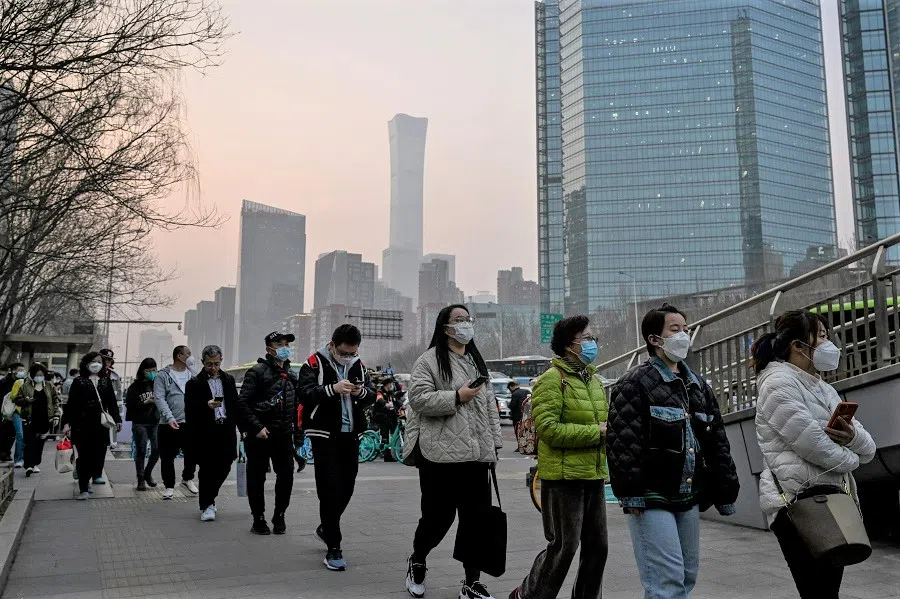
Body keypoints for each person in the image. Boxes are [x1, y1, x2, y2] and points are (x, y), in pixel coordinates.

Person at [607, 304, 740, 599]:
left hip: (687, 495)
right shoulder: (634, 383)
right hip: (651, 496)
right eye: (675, 330)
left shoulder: (698, 386)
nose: (684, 335)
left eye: (686, 329)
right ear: (655, 339)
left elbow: (717, 441)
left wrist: (725, 490)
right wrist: (631, 494)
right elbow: (622, 444)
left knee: (686, 576)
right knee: (665, 582)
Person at [752, 310, 876, 599]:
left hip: (831, 499)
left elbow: (869, 447)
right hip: (797, 502)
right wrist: (852, 457)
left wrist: (852, 437)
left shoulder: (825, 389)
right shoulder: (777, 383)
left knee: (826, 592)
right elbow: (813, 445)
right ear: (798, 345)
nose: (828, 344)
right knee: (816, 592)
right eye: (821, 336)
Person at [403, 304, 503, 599]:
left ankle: (471, 582)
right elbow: (418, 399)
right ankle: (418, 559)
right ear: (445, 327)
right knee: (437, 519)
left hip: (476, 456)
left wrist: (494, 445)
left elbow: (489, 408)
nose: (465, 325)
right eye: (458, 320)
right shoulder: (429, 361)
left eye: (467, 319)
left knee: (476, 521)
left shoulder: (475, 362)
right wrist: (456, 396)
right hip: (440, 456)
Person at [510, 315, 609, 599]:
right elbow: (549, 430)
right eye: (587, 339)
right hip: (563, 478)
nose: (593, 344)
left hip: (592, 474)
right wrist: (597, 432)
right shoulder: (552, 380)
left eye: (593, 338)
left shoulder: (593, 380)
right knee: (564, 547)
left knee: (598, 547)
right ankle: (529, 595)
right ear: (569, 345)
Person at [298, 324, 376, 571]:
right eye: (344, 353)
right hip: (323, 435)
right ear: (332, 345)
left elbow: (372, 394)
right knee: (330, 489)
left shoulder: (359, 365)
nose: (348, 357)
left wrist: (361, 391)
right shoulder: (313, 363)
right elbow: (305, 394)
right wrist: (332, 389)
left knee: (347, 486)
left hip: (350, 436)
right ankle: (334, 547)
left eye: (352, 353)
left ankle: (326, 527)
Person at [235, 331, 300, 536]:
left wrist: (298, 435)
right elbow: (242, 404)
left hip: (284, 435)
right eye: (279, 343)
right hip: (260, 435)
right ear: (269, 349)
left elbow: (298, 408)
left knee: (286, 477)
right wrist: (256, 428)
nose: (284, 347)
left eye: (287, 343)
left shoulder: (292, 375)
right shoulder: (257, 372)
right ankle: (258, 518)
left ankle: (279, 515)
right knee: (256, 478)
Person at [185, 345, 239, 522]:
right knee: (207, 469)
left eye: (216, 364)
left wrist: (244, 429)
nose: (213, 368)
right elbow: (189, 409)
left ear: (221, 361)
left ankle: (210, 498)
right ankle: (207, 505)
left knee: (225, 465)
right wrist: (205, 405)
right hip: (205, 432)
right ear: (203, 362)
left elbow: (235, 405)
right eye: (209, 364)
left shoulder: (228, 380)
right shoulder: (194, 383)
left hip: (226, 429)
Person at [62, 352, 122, 499]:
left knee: (97, 454)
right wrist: (66, 423)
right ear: (87, 363)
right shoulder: (79, 381)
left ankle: (91, 476)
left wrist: (117, 420)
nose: (96, 364)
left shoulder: (106, 381)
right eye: (93, 361)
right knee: (84, 456)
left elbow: (112, 403)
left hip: (100, 424)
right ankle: (83, 488)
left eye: (99, 361)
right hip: (81, 424)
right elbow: (71, 405)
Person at [154, 345, 198, 499]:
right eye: (189, 354)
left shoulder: (193, 374)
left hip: (190, 422)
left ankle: (188, 478)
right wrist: (170, 417)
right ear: (180, 356)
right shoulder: (163, 375)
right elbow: (159, 398)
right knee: (167, 456)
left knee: (192, 454)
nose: (191, 357)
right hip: (168, 424)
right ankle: (169, 486)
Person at [13, 363, 61, 477]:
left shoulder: (49, 386)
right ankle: (28, 465)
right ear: (32, 375)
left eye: (41, 374)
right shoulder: (25, 386)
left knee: (40, 443)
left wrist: (56, 415)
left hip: (45, 419)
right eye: (37, 374)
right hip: (29, 419)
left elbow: (55, 401)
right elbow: (17, 400)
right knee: (29, 442)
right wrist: (26, 400)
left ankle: (35, 463)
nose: (39, 376)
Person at [125, 358, 160, 490]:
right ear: (142, 371)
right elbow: (130, 405)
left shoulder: (158, 383)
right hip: (140, 422)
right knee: (141, 450)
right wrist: (145, 403)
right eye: (148, 370)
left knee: (157, 449)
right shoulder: (135, 387)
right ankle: (140, 479)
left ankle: (147, 473)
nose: (151, 372)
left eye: (154, 370)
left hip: (156, 421)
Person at [0, 363, 26, 464]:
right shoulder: (4, 382)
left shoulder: (22, 382)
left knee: (12, 433)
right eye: (20, 369)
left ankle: (6, 452)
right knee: (4, 431)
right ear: (13, 370)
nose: (22, 372)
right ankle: (3, 452)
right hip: (5, 411)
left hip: (16, 411)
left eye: (23, 370)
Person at [99, 349, 122, 448]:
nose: (107, 362)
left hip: (110, 413)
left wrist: (119, 418)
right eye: (105, 360)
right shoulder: (91, 374)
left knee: (108, 442)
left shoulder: (115, 377)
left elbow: (119, 398)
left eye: (109, 360)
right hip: (94, 412)